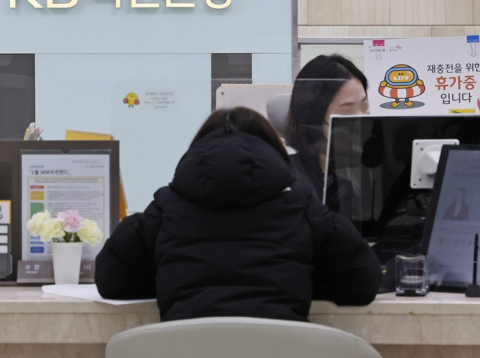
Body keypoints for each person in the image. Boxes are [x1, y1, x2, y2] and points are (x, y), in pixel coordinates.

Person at [95, 107, 382, 322]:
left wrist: (172, 278)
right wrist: (300, 277)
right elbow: (362, 282)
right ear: (274, 152)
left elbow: (112, 280)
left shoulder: (166, 205)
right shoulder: (301, 204)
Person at [287, 54, 369, 213]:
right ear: (314, 119)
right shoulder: (290, 180)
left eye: (365, 106)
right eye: (347, 110)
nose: (361, 118)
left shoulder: (362, 171)